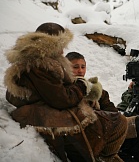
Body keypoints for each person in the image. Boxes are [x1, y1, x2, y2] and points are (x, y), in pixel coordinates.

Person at [4, 22, 128, 162]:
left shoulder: (41, 62)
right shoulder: (38, 65)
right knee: (120, 122)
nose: (63, 51)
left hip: (51, 112)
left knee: (120, 122)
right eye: (59, 46)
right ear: (49, 45)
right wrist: (81, 86)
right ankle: (104, 159)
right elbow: (62, 99)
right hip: (49, 116)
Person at [65, 52, 139, 162]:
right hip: (92, 136)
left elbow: (112, 111)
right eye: (75, 67)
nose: (80, 71)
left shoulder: (92, 88)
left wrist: (100, 95)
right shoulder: (65, 90)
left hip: (107, 129)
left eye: (83, 67)